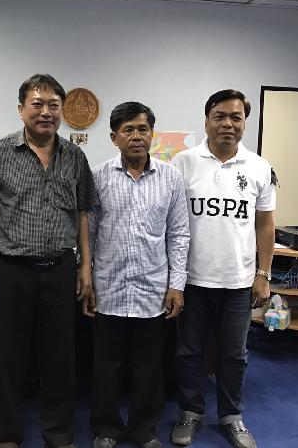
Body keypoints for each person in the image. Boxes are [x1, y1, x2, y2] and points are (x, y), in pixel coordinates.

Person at [0, 74, 98, 448]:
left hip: (60, 269)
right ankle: (6, 436)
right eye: (37, 104)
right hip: (11, 270)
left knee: (60, 358)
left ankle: (58, 434)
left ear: (61, 110)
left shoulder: (75, 156)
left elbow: (82, 213)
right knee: (7, 357)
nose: (46, 112)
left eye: (53, 105)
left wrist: (85, 266)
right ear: (21, 109)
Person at [170, 89, 276, 448]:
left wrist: (263, 275)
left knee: (234, 355)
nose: (227, 124)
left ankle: (232, 416)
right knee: (189, 352)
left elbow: (265, 224)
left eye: (236, 117)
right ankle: (190, 412)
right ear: (206, 122)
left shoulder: (259, 167)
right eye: (220, 116)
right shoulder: (183, 163)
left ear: (245, 123)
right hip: (192, 280)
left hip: (238, 282)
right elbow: (172, 221)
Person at [84, 102, 189, 448]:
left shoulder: (171, 177)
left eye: (143, 129)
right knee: (106, 368)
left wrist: (176, 285)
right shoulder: (97, 177)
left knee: (149, 368)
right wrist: (87, 281)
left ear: (152, 135)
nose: (136, 136)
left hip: (152, 290)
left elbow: (178, 234)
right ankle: (106, 429)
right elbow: (88, 234)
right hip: (109, 288)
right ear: (114, 137)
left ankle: (145, 429)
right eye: (128, 130)